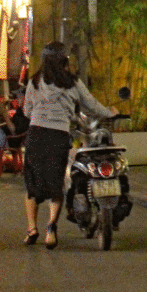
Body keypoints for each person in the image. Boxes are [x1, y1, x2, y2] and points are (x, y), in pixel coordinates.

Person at [23, 41, 117, 249]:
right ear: (65, 60)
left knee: (32, 184)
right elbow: (91, 105)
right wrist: (110, 112)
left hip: (37, 134)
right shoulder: (73, 82)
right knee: (56, 184)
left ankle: (32, 229)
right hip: (58, 135)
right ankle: (50, 229)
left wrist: (41, 113)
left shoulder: (35, 81)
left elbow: (27, 111)